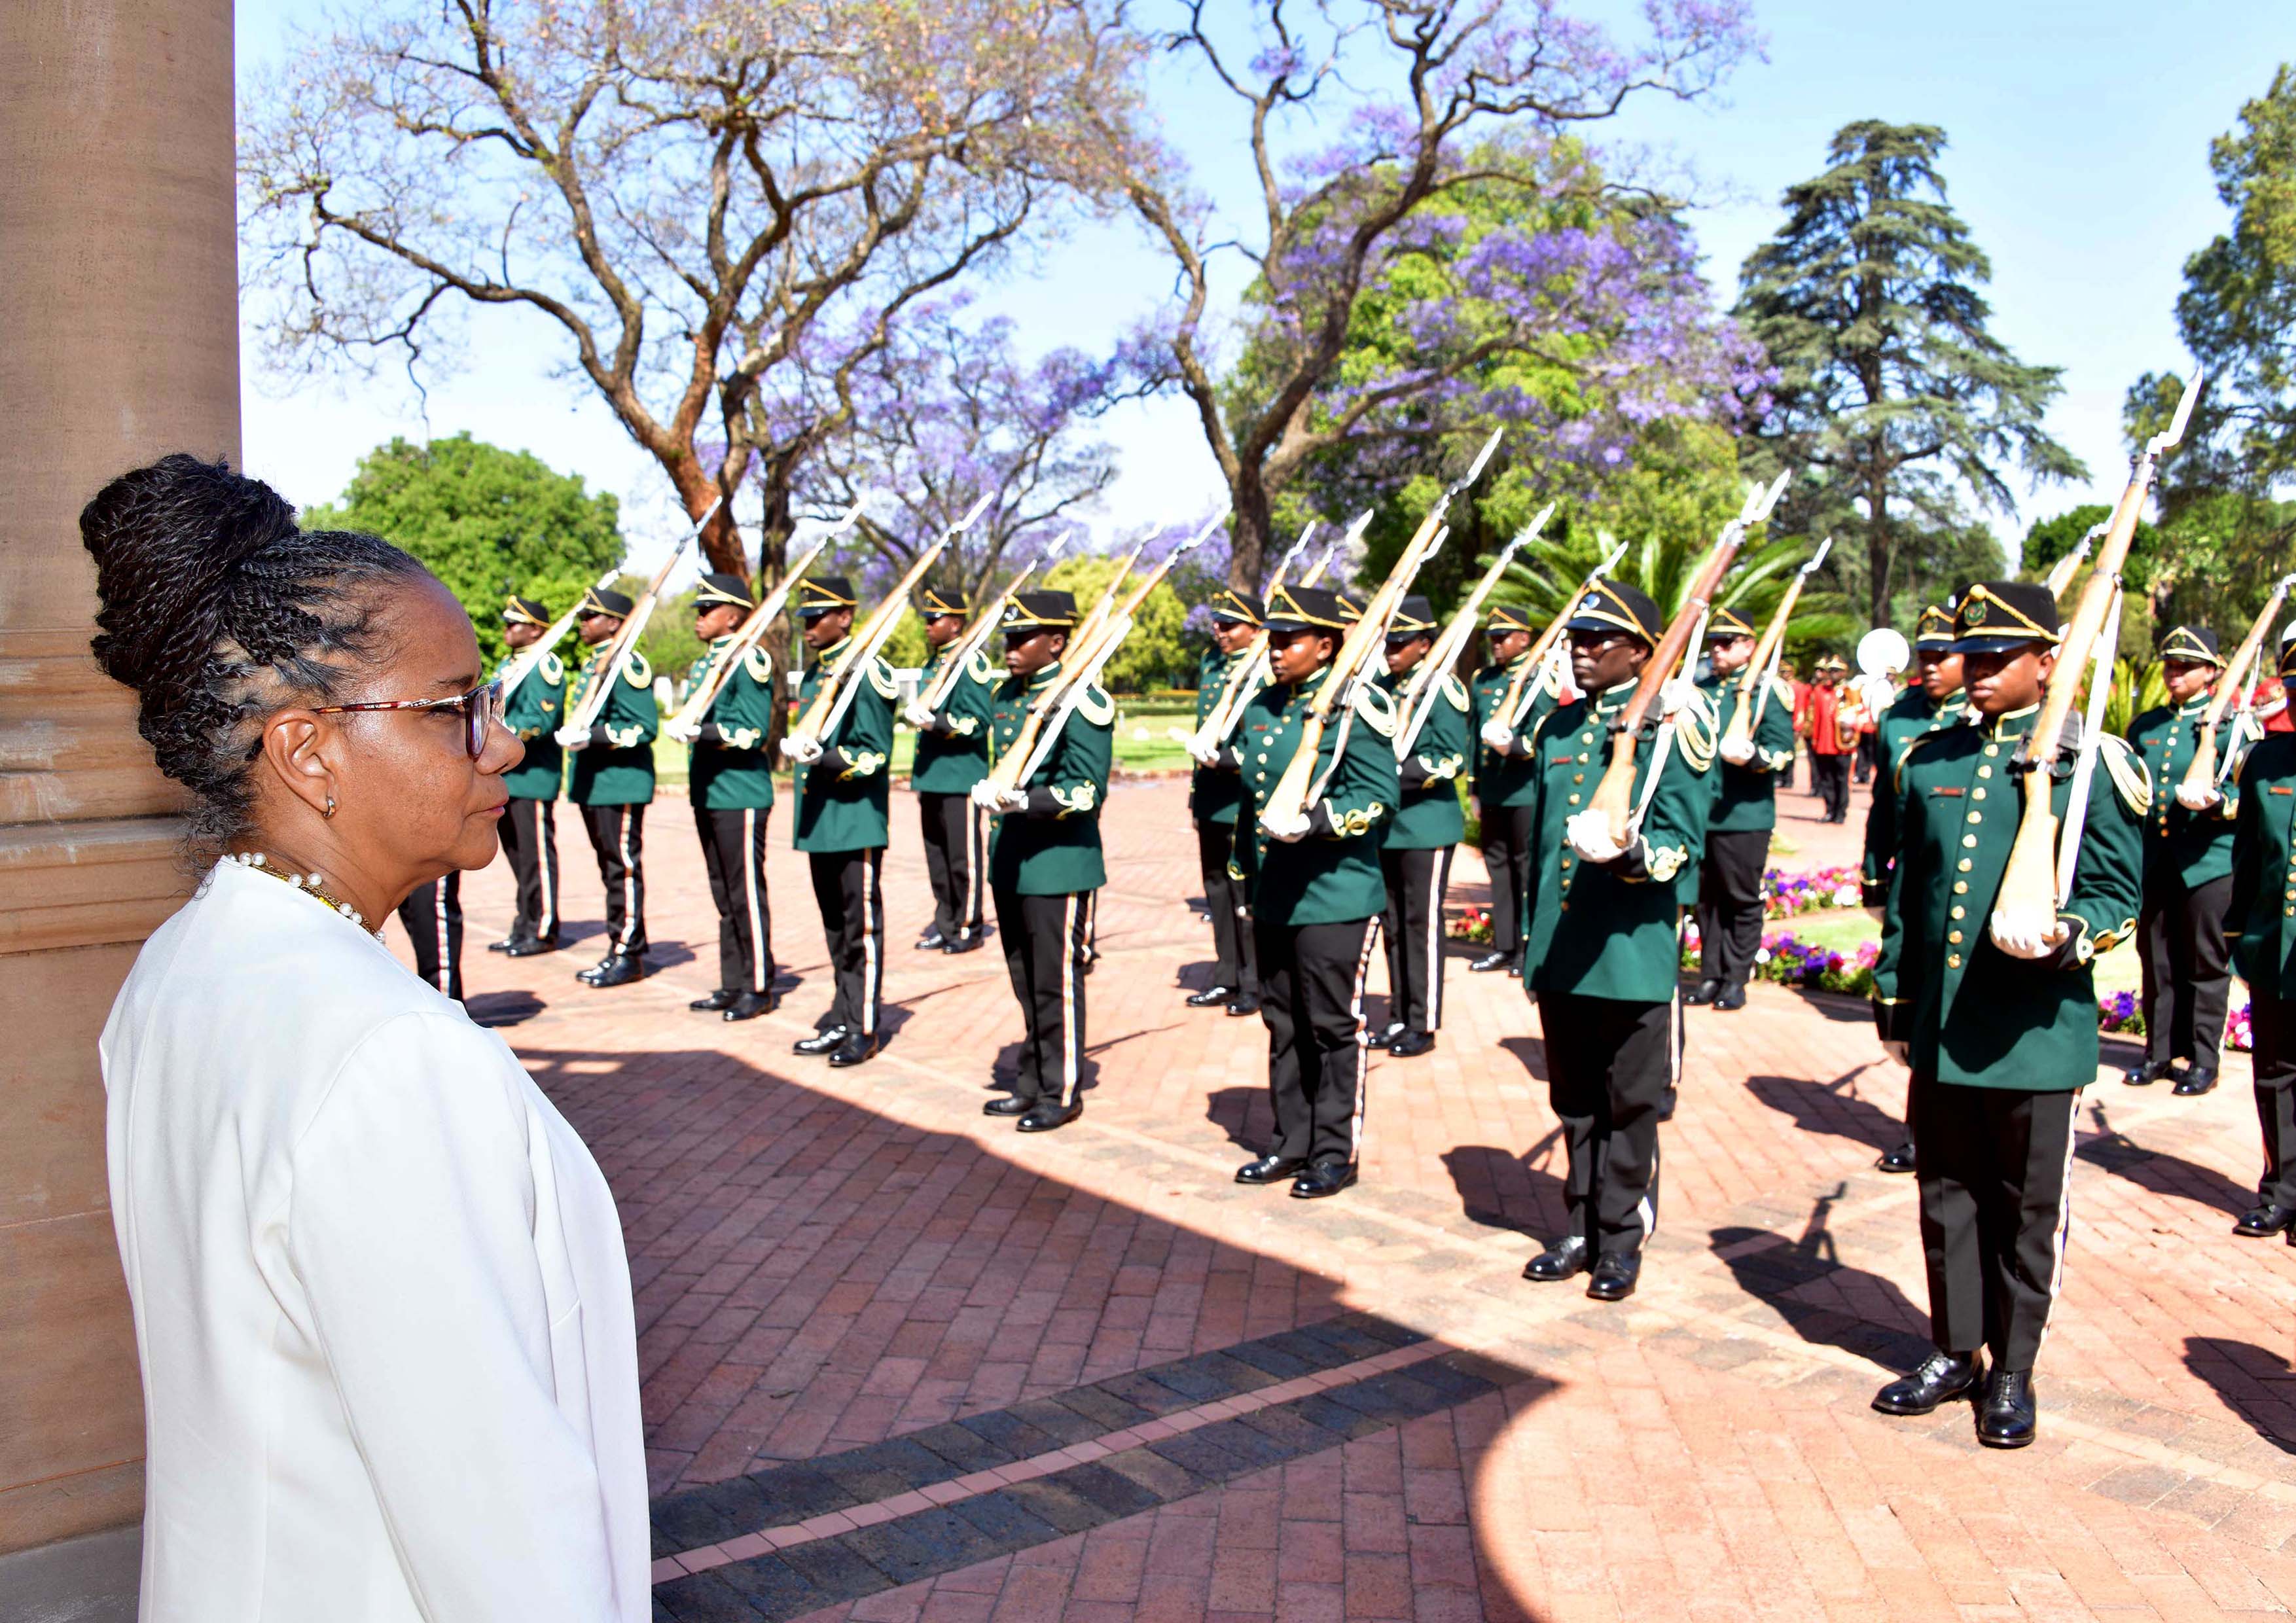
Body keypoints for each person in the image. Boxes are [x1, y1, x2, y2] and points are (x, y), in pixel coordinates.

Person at [81, 454, 645, 1620]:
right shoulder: (391, 1056)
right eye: (452, 709)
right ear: (306, 751)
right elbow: (505, 1547)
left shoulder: (181, 968)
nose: (500, 745)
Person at [1868, 580, 2143, 1448]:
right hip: (1948, 1026)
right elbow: (1912, 897)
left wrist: (2069, 935)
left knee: (2025, 1207)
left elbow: (2116, 895)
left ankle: (2014, 1369)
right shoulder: (1932, 759)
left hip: (2034, 1032)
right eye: (1969, 657)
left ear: (2047, 664)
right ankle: (1955, 1352)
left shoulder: (2091, 762)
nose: (1977, 673)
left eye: (1997, 660)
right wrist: (1898, 998)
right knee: (1946, 1195)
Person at [1515, 580, 1713, 1304]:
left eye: (1602, 639)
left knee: (1630, 1105)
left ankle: (1622, 1237)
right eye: (1578, 637)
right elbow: (1541, 851)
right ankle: (1580, 1226)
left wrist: (1629, 854)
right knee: (1574, 1101)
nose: (1585, 648)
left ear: (1641, 652)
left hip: (1630, 949)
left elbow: (1684, 845)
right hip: (1565, 946)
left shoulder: (1674, 730)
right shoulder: (1559, 732)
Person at [1230, 585, 1401, 1199]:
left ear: (1326, 645)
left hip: (1335, 892)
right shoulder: (1265, 704)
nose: (1275, 651)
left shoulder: (1361, 706)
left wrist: (1318, 821)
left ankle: (1334, 1151)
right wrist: (1244, 876)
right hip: (1276, 890)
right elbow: (1253, 800)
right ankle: (1291, 1141)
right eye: (1272, 640)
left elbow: (1380, 798)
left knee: (1331, 1025)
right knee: (1283, 1021)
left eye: (1288, 641)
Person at [976, 591, 1113, 1131]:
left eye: (1020, 639)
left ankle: (1061, 1089)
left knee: (1056, 981)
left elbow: (1086, 791)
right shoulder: (1009, 694)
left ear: (1056, 642)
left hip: (1059, 861)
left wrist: (1024, 802)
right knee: (1023, 977)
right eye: (1007, 638)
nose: (1009, 649)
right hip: (1012, 857)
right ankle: (1031, 1080)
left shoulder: (1084, 701)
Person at [1860, 603, 1968, 1175]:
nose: (1929, 667)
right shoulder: (1899, 719)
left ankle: (1934, 1129)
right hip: (1910, 878)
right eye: (1923, 657)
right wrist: (1875, 875)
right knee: (1904, 999)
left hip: (1961, 878)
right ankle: (1919, 1124)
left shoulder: (1976, 717)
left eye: (1941, 657)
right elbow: (1883, 804)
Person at [2123, 626, 2239, 1095]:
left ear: (2211, 672)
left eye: (2187, 666)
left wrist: (2216, 802)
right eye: (2170, 665)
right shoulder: (2145, 726)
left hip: (2208, 861)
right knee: (2156, 960)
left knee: (2206, 962)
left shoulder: (2232, 726)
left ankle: (2204, 1060)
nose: (2175, 673)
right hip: (2156, 859)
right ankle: (2159, 1053)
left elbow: (2241, 792)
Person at [787, 575, 896, 1067]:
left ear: (846, 617)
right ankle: (842, 1012)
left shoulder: (867, 672)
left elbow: (875, 754)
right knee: (835, 929)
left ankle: (864, 1025)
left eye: (817, 617)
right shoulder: (817, 673)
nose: (808, 626)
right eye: (805, 618)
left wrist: (825, 758)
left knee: (860, 930)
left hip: (854, 820)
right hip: (820, 821)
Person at [2215, 633, 2296, 1239]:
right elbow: (2249, 858)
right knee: (2275, 1074)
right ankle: (2281, 1190)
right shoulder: (2264, 761)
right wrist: (2239, 934)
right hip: (2275, 946)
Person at [680, 572, 779, 1022]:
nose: (699, 618)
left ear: (733, 615)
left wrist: (703, 731)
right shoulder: (708, 663)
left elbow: (753, 731)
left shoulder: (749, 660)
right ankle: (732, 981)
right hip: (710, 791)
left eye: (708, 610)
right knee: (723, 894)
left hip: (740, 793)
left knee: (744, 893)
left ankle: (758, 984)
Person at [1372, 594, 1468, 1058]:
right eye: (1389, 642)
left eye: (1402, 643)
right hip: (1388, 826)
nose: (1392, 650)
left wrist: (1393, 775)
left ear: (1425, 645)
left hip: (1424, 825)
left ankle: (1423, 1022)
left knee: (1420, 923)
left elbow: (1450, 758)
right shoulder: (1385, 688)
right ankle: (1398, 1013)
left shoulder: (1441, 690)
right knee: (1392, 923)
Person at [1686, 605, 1795, 1012]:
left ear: (1750, 646)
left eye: (1727, 643)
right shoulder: (1706, 688)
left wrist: (1754, 757)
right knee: (1705, 900)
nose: (1717, 650)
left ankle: (1736, 978)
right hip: (1704, 814)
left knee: (1741, 898)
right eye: (1715, 642)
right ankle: (1710, 975)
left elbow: (1784, 752)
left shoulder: (1768, 691)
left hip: (1743, 814)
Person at [558, 585, 658, 988]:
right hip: (596, 784)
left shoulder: (626, 664)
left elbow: (642, 727)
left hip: (620, 784)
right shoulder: (596, 663)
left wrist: (593, 738)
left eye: (591, 617)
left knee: (623, 869)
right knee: (609, 868)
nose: (583, 624)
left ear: (615, 623)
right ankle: (624, 940)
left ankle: (627, 952)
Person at [1185, 588, 1265, 1013]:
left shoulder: (1265, 667)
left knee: (1244, 893)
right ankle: (1226, 975)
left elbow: (1268, 737)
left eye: (1230, 624)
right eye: (1217, 623)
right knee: (1216, 889)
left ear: (1255, 630)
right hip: (1212, 796)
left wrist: (1230, 760)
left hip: (1241, 796)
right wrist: (1197, 794)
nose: (1219, 631)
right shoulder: (1212, 663)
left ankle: (1253, 982)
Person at [906, 584, 996, 954]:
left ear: (956, 624)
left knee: (963, 859)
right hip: (932, 775)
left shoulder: (970, 662)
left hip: (960, 775)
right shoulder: (933, 663)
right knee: (937, 857)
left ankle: (968, 925)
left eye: (935, 619)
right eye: (926, 619)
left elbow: (978, 721)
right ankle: (945, 922)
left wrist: (936, 724)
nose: (928, 626)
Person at [1467, 604, 1543, 972]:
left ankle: (1527, 946)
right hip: (1494, 788)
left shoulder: (1539, 677)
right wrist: (1474, 787)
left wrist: (1513, 748)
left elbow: (1543, 733)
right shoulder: (1483, 679)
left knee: (1525, 870)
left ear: (1524, 639)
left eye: (1503, 638)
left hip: (1524, 788)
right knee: (1498, 869)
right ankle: (1505, 944)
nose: (1496, 645)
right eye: (1492, 638)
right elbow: (1473, 737)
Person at [492, 594, 565, 955]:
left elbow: (541, 720)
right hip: (509, 777)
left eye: (514, 624)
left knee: (536, 857)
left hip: (534, 774)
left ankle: (543, 926)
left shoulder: (544, 664)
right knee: (518, 857)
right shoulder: (509, 664)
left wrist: (499, 734)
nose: (507, 629)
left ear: (536, 630)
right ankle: (524, 923)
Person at [395, 874, 465, 1002]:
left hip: (431, 858)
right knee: (415, 917)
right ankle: (435, 1004)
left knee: (432, 916)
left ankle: (445, 1011)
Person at [1802, 655, 1854, 823]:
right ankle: (1830, 810)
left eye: (1837, 671)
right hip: (1824, 744)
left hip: (1842, 745)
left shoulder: (1849, 692)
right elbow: (1814, 715)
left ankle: (1841, 812)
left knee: (1841, 780)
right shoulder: (1819, 691)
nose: (1833, 674)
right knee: (1827, 780)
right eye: (1831, 670)